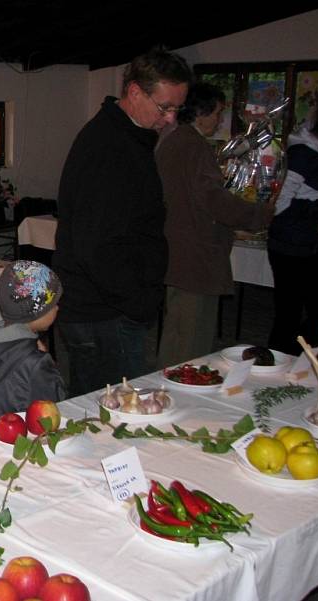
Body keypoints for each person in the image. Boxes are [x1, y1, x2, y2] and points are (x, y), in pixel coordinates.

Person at [53, 47, 192, 397]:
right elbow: (95, 246)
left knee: (99, 410)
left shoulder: (127, 137)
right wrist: (137, 300)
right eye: (165, 107)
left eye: (178, 108)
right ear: (134, 92)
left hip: (106, 308)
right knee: (114, 417)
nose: (171, 118)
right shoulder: (108, 148)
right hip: (104, 313)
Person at [156, 83, 273, 368]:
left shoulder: (175, 141)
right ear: (200, 111)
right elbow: (213, 200)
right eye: (218, 113)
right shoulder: (192, 145)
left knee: (178, 335)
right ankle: (180, 397)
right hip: (195, 257)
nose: (220, 120)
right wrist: (260, 214)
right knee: (190, 342)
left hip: (181, 252)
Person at [0, 260, 66, 432]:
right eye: (53, 305)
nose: (58, 308)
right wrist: (47, 361)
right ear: (37, 312)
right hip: (18, 442)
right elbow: (54, 405)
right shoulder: (35, 361)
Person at [267, 100, 318, 355]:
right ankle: (277, 365)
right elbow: (278, 204)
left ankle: (301, 364)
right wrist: (315, 211)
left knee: (315, 313)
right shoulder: (303, 153)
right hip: (289, 245)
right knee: (289, 314)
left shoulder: (315, 152)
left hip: (310, 244)